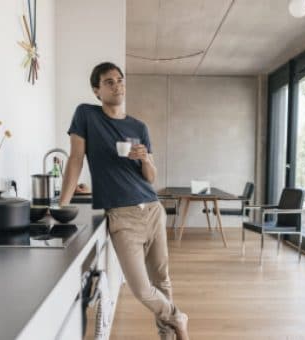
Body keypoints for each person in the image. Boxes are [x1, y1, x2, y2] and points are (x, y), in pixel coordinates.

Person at [59, 62, 189, 340]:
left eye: (120, 80)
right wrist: (61, 206)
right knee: (141, 288)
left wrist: (144, 158)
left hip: (152, 208)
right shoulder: (86, 115)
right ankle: (178, 317)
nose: (117, 85)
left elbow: (150, 177)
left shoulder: (139, 126)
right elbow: (75, 159)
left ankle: (168, 335)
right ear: (97, 90)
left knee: (162, 279)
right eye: (109, 82)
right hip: (122, 216)